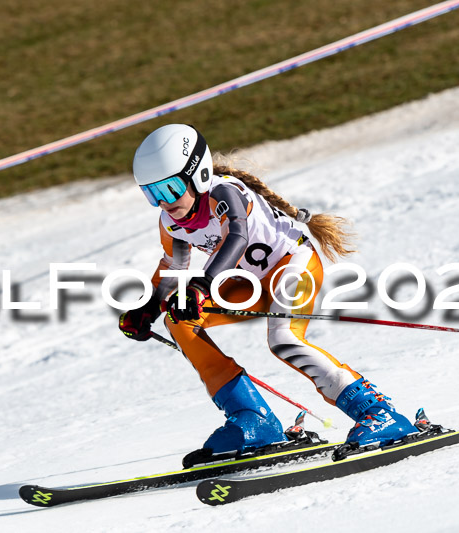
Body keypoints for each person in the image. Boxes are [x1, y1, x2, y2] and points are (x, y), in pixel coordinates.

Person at [118, 123, 418, 457]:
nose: (164, 202)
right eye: (152, 194)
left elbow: (236, 238)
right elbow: (173, 268)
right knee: (179, 320)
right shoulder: (171, 223)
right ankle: (253, 419)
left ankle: (378, 412)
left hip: (294, 265)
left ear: (198, 175)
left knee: (283, 339)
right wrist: (147, 307)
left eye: (170, 188)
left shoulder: (225, 194)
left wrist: (200, 287)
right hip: (249, 284)